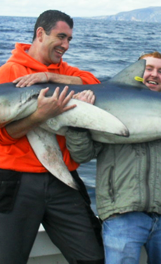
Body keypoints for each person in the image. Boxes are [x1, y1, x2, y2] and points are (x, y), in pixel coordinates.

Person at [65, 51, 161, 264]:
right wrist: (78, 121)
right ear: (137, 73)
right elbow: (83, 155)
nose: (154, 74)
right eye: (149, 69)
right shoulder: (104, 105)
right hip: (121, 215)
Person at [0, 10, 104, 264]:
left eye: (69, 39)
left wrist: (50, 77)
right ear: (40, 34)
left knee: (93, 257)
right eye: (61, 37)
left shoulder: (64, 70)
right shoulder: (8, 73)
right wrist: (39, 116)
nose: (66, 45)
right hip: (16, 181)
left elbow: (96, 84)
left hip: (62, 178)